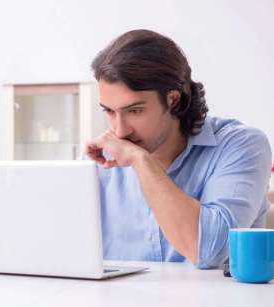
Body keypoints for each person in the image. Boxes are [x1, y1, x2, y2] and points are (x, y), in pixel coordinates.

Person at [86, 29, 272, 268]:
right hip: (114, 304)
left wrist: (140, 161)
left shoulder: (242, 145)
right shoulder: (100, 162)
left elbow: (208, 251)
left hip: (216, 305)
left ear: (173, 99)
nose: (119, 131)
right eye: (109, 111)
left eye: (135, 111)